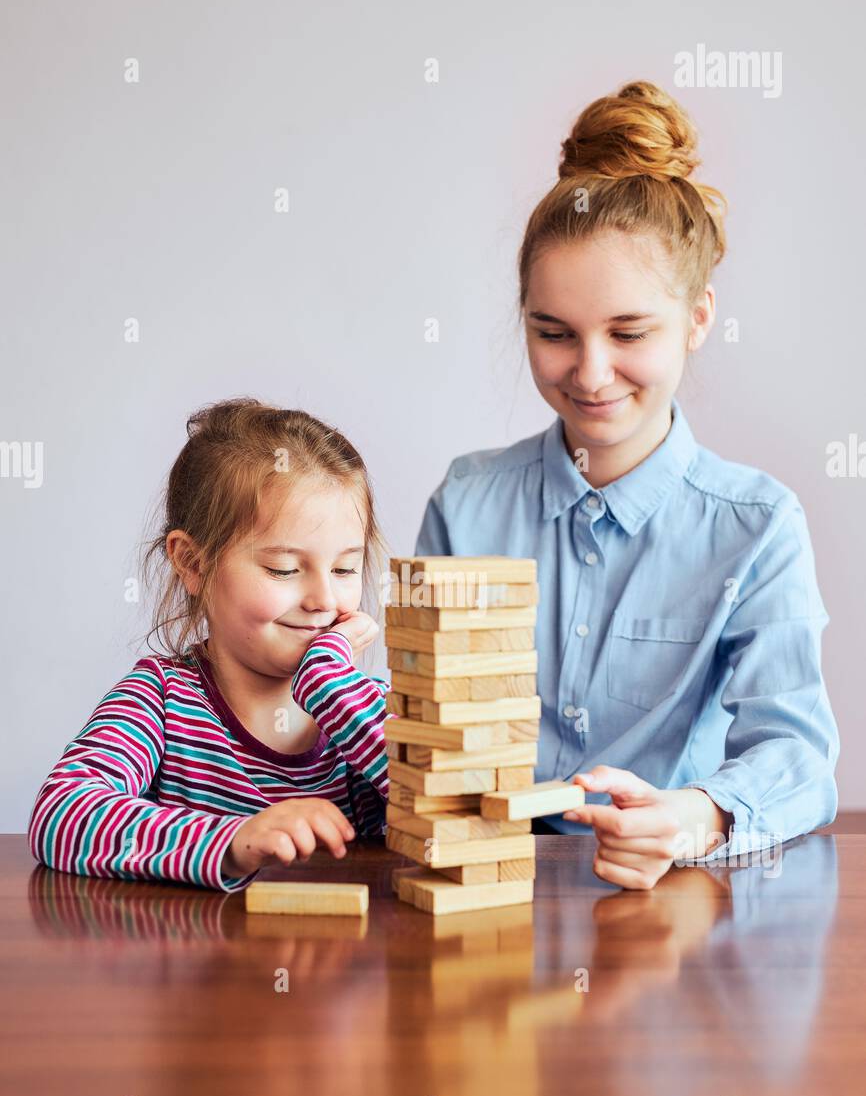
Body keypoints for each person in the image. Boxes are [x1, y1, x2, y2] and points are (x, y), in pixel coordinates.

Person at [414, 79, 839, 890]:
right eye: (554, 334)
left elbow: (797, 757)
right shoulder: (465, 507)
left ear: (698, 319)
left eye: (629, 332)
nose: (592, 373)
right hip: (487, 910)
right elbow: (415, 733)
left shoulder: (757, 527)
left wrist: (692, 817)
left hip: (671, 917)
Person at [28, 398, 390, 892]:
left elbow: (448, 802)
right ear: (193, 564)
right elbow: (62, 817)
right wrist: (232, 841)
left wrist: (330, 683)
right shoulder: (159, 699)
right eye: (283, 569)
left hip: (334, 962)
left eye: (345, 568)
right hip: (203, 960)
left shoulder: (359, 708)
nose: (324, 600)